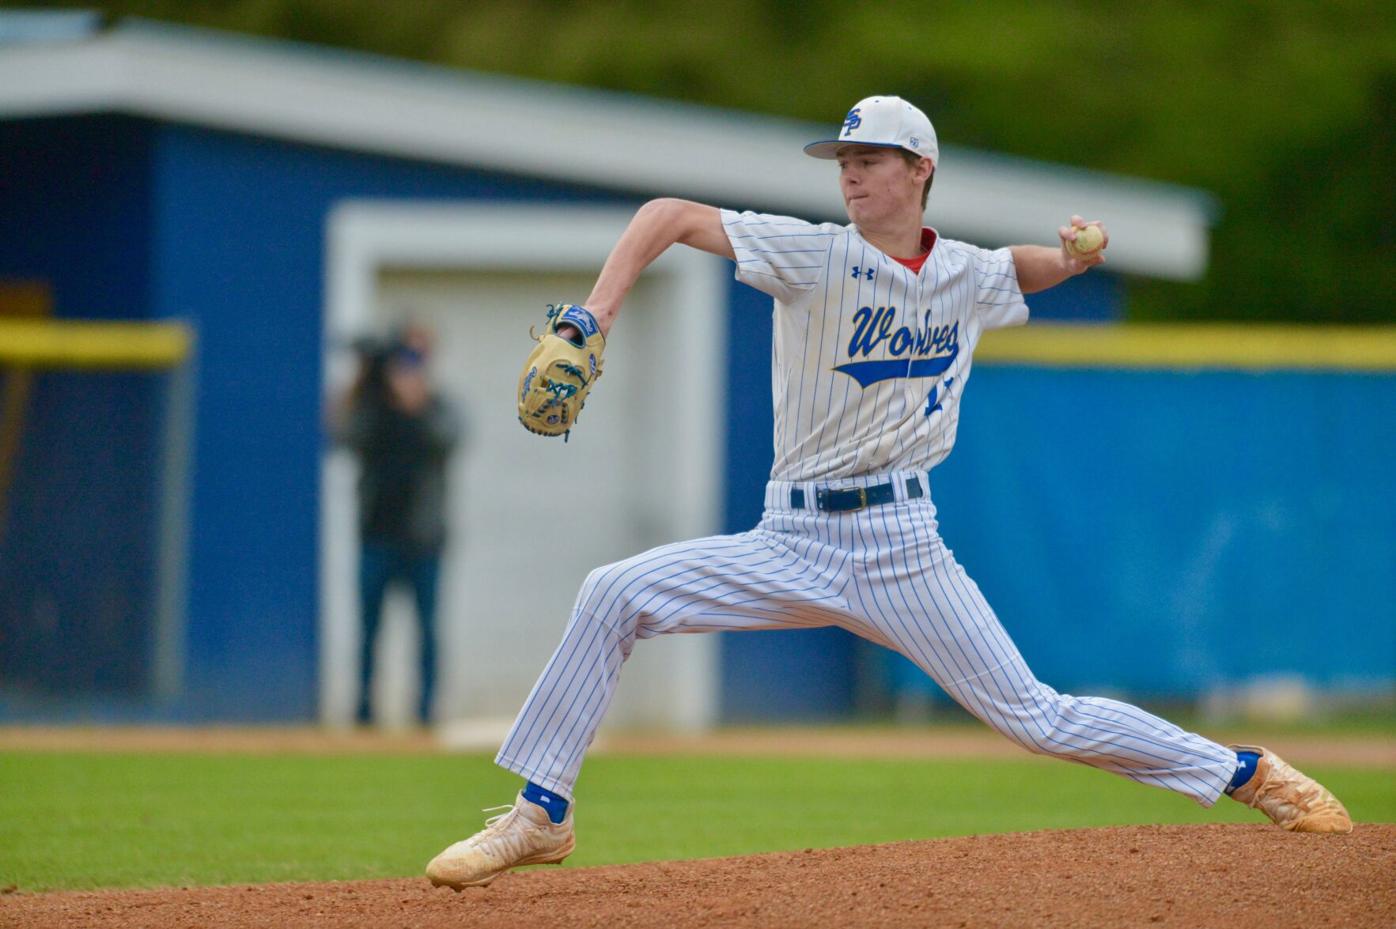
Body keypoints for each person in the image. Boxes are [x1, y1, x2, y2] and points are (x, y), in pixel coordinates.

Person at [425, 95, 1351, 889]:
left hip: (904, 546)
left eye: (869, 160)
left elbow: (1008, 271)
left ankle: (1248, 773)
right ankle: (542, 810)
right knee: (611, 593)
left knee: (1038, 715)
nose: (851, 176)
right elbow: (666, 214)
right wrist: (595, 315)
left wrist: (1068, 260)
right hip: (789, 539)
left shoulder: (960, 271)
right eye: (844, 161)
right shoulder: (812, 254)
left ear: (921, 170)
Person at [333, 323, 462, 727]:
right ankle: (364, 714)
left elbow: (451, 439)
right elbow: (343, 434)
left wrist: (416, 405)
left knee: (427, 631)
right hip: (376, 534)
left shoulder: (438, 405)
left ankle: (425, 714)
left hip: (423, 537)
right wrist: (362, 383)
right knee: (369, 630)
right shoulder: (370, 406)